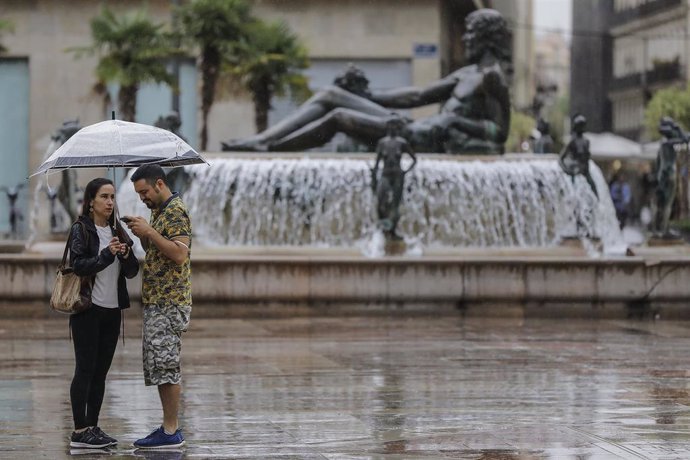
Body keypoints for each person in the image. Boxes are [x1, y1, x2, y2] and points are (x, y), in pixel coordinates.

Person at [221, 8, 511, 155]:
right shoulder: (465, 74)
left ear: (485, 37)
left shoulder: (491, 77)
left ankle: (270, 150)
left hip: (422, 139)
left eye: (471, 34)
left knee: (339, 117)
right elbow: (416, 96)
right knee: (331, 94)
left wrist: (453, 124)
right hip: (415, 129)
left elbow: (500, 134)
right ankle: (261, 139)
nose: (465, 39)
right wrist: (367, 94)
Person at [124, 165, 192, 449]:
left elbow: (179, 254)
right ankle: (167, 426)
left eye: (144, 192)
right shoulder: (160, 211)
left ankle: (171, 430)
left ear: (160, 184)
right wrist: (142, 233)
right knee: (159, 367)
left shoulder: (175, 210)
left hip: (170, 302)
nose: (142, 198)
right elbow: (158, 250)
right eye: (139, 194)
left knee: (167, 365)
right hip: (157, 300)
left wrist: (150, 232)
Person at [68, 178, 139, 449]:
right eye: (104, 197)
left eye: (112, 197)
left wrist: (124, 254)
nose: (110, 202)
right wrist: (106, 255)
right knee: (84, 369)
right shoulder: (81, 229)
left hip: (112, 310)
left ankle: (93, 427)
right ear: (91, 201)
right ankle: (79, 431)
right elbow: (79, 266)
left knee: (100, 372)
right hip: (88, 309)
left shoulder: (116, 230)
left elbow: (132, 271)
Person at [371, 117, 417, 239]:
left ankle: (392, 231)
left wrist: (406, 171)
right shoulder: (382, 142)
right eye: (390, 125)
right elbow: (376, 163)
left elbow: (414, 159)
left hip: (398, 175)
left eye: (394, 126)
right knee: (381, 202)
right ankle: (383, 226)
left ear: (398, 128)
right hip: (385, 174)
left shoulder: (402, 143)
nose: (392, 128)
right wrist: (374, 180)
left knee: (395, 205)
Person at [559, 114, 598, 198]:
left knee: (593, 187)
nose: (583, 128)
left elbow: (587, 157)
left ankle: (596, 201)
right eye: (581, 126)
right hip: (575, 169)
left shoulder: (586, 141)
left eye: (583, 125)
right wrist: (567, 170)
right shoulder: (572, 141)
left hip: (584, 170)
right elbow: (561, 158)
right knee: (573, 190)